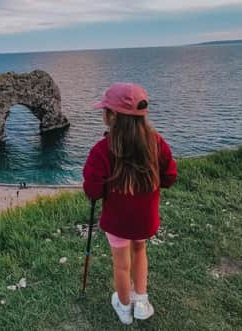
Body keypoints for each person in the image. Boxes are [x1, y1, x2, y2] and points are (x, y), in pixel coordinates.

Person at [83, 82, 178, 325]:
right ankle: (142, 303)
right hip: (145, 219)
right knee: (139, 250)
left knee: (121, 265)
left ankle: (125, 308)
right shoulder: (156, 143)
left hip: (116, 221)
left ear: (113, 115)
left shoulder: (102, 150)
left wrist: (105, 189)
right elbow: (169, 177)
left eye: (105, 110)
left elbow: (92, 190)